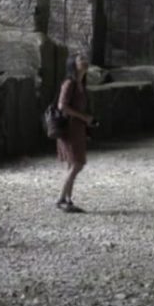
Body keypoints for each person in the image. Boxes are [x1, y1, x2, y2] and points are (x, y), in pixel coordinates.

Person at [56, 53, 96, 213]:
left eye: (86, 59)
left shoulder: (81, 84)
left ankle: (68, 200)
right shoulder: (69, 83)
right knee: (78, 163)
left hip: (78, 128)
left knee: (72, 164)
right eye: (81, 60)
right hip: (69, 128)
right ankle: (60, 199)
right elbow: (62, 106)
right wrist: (83, 117)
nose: (85, 62)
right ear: (73, 64)